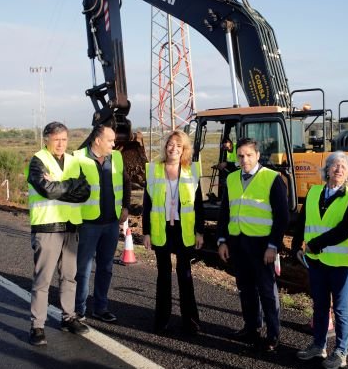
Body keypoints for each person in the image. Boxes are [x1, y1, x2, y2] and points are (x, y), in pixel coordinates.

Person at [291, 151, 348, 369]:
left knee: (341, 308)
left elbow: (345, 229)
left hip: (343, 263)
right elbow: (302, 221)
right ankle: (318, 345)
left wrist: (316, 244)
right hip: (317, 261)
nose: (339, 169)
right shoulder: (313, 193)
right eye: (335, 165)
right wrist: (296, 245)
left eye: (343, 167)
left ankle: (341, 351)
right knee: (320, 305)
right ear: (327, 170)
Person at [217, 138, 288, 352]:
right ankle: (252, 327)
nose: (244, 159)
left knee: (267, 290)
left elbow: (282, 217)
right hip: (238, 243)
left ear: (257, 156)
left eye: (249, 155)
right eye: (240, 156)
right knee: (245, 288)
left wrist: (273, 246)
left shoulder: (272, 178)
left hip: (261, 245)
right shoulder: (231, 179)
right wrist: (222, 240)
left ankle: (273, 334)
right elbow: (225, 212)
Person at [26, 121, 90, 346]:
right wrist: (70, 186)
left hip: (71, 226)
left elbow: (84, 193)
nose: (61, 144)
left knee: (69, 276)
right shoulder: (38, 161)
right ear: (46, 139)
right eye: (56, 140)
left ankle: (68, 317)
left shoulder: (73, 161)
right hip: (48, 227)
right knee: (42, 280)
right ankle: (37, 326)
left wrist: (63, 184)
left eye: (64, 139)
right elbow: (45, 189)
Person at [143, 130, 205, 334]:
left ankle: (191, 321)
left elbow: (198, 205)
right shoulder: (153, 170)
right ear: (165, 147)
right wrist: (146, 232)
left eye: (179, 146)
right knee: (163, 276)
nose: (174, 149)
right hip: (161, 229)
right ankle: (161, 320)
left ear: (185, 149)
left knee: (185, 276)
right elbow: (147, 203)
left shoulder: (191, 171)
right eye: (171, 144)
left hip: (183, 230)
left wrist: (199, 231)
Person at [73, 125, 131, 323]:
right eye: (110, 140)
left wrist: (126, 206)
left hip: (111, 223)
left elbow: (126, 182)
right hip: (87, 224)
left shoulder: (116, 157)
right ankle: (78, 310)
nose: (114, 144)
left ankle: (100, 307)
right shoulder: (78, 158)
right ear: (97, 140)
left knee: (106, 268)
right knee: (83, 269)